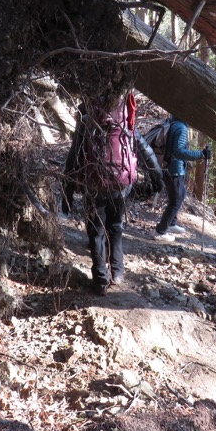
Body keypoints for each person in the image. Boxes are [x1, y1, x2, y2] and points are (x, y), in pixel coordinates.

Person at [62, 98, 163, 295]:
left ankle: (101, 280)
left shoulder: (87, 120)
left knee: (96, 231)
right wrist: (157, 178)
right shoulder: (125, 121)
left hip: (94, 184)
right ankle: (117, 272)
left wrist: (67, 195)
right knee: (116, 227)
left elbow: (74, 156)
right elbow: (145, 150)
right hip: (121, 184)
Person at [154, 116, 210, 241]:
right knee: (176, 200)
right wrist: (201, 154)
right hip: (173, 169)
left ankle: (172, 223)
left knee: (181, 194)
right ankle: (160, 231)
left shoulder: (173, 123)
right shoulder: (181, 128)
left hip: (166, 166)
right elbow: (179, 152)